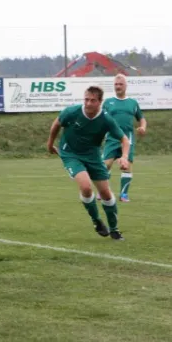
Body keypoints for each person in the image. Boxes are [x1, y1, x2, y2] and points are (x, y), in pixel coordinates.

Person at [47, 86, 131, 240]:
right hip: (70, 154)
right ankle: (96, 220)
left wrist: (124, 156)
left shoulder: (105, 119)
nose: (88, 103)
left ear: (100, 102)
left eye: (93, 100)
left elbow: (124, 139)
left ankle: (114, 229)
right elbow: (56, 125)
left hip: (93, 156)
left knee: (106, 193)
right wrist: (50, 144)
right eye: (86, 99)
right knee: (86, 186)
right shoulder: (71, 112)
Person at [99, 73, 147, 202]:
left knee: (126, 166)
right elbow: (101, 120)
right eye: (116, 84)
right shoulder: (108, 102)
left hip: (128, 138)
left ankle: (124, 194)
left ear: (126, 86)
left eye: (120, 84)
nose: (118, 86)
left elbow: (141, 118)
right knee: (105, 165)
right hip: (112, 138)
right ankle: (103, 191)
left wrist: (143, 127)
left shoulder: (132, 103)